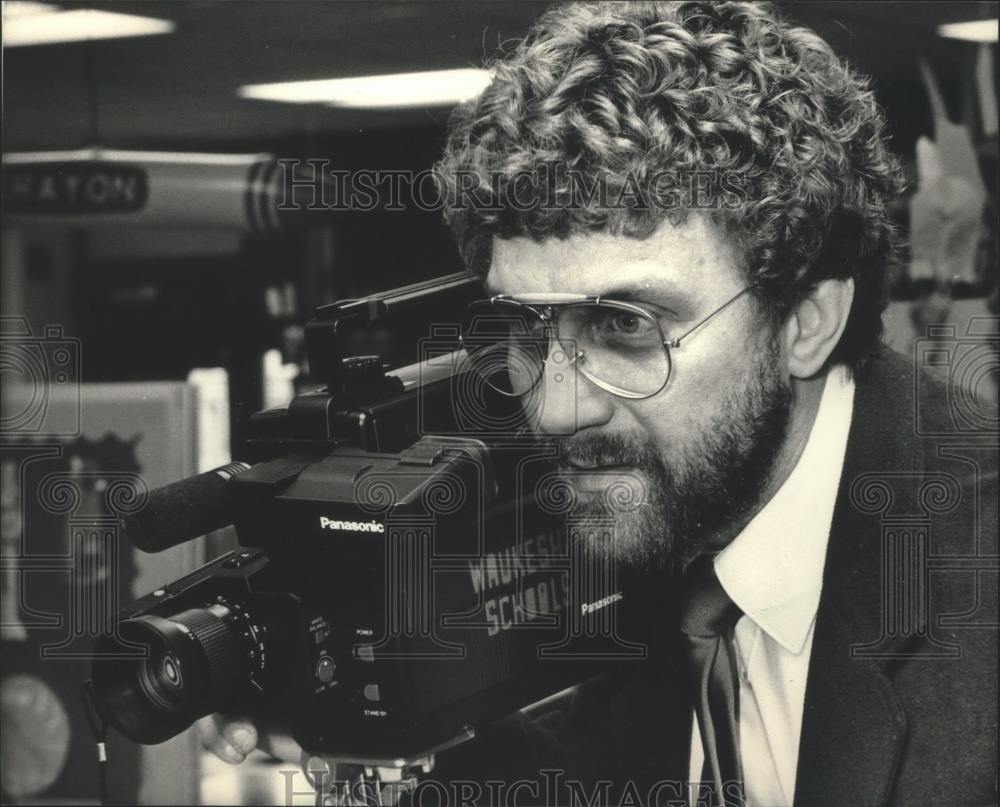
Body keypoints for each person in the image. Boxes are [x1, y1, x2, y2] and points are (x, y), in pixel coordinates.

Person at [203, 2, 998, 804]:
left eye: (625, 326)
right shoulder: (632, 515)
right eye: (521, 329)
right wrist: (389, 731)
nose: (554, 408)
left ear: (806, 322)